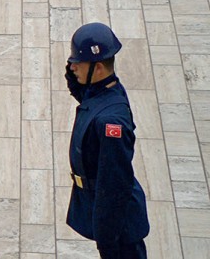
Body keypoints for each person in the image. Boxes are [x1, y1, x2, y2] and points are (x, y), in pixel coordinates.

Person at [62, 22, 151, 259]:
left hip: (118, 224)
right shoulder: (104, 89)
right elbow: (82, 91)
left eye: (78, 63)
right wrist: (73, 68)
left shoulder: (111, 123)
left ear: (98, 68)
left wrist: (107, 238)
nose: (73, 67)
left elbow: (114, 185)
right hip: (105, 212)